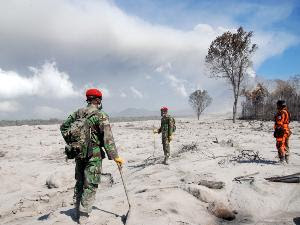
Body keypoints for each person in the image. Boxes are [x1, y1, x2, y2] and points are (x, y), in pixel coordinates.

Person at [60, 88, 124, 224]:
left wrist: (73, 143)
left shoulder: (78, 113)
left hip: (79, 153)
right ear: (98, 100)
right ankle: (84, 214)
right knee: (91, 183)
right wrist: (115, 156)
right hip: (93, 155)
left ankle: (77, 209)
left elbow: (64, 127)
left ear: (87, 99)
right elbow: (108, 138)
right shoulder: (101, 115)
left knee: (80, 181)